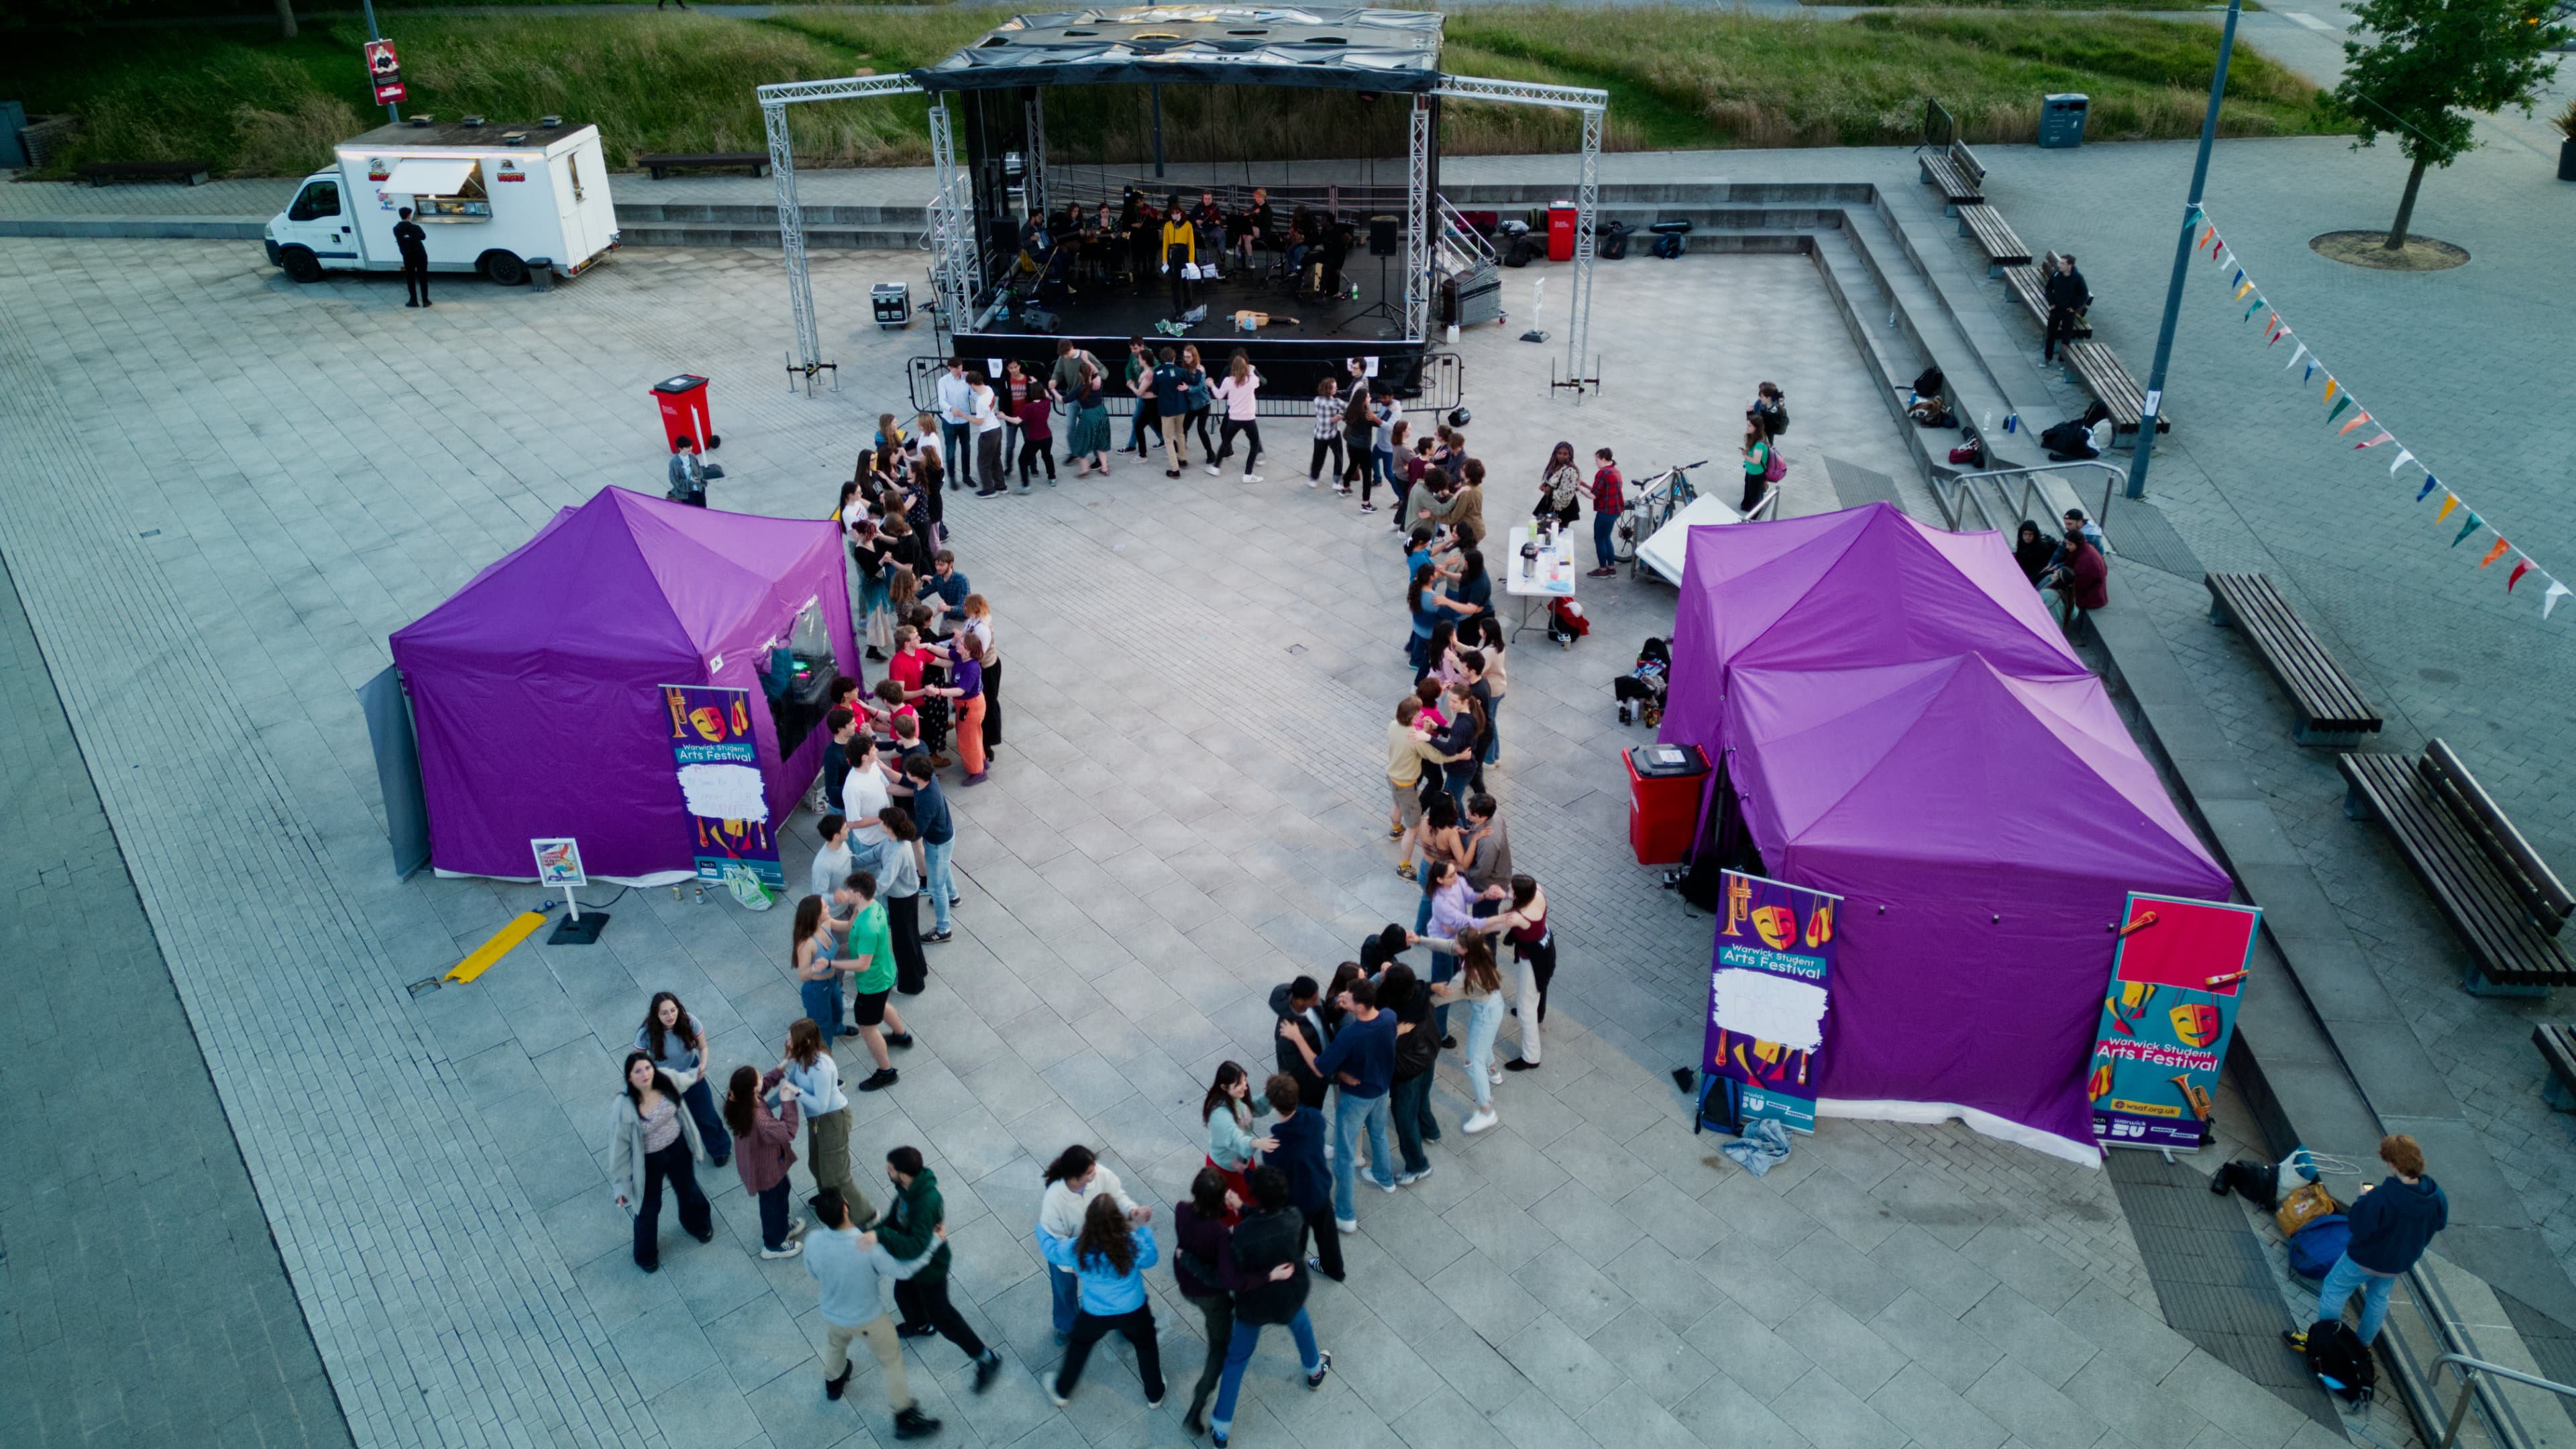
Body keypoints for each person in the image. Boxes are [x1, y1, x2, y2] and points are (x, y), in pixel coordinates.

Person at [804, 1188, 944, 1440]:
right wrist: (933, 1243)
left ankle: (834, 1382)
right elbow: (903, 1271)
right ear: (846, 1207)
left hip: (833, 1313)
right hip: (868, 1319)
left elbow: (814, 1273)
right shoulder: (868, 1246)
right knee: (891, 1360)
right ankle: (904, 1416)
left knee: (836, 1343)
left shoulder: (813, 1241)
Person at [1205, 1167, 1331, 1447]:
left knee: (1237, 1361)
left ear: (1256, 1197)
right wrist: (1246, 1209)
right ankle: (1314, 1370)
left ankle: (1221, 1427)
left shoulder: (1240, 1235)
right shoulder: (1295, 1217)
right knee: (1302, 1327)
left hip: (1253, 1305)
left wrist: (1239, 1212)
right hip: (1289, 1295)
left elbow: (1236, 1271)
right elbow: (1278, 1228)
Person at [2286, 1135, 2446, 1351]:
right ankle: (2363, 1345)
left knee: (2335, 1289)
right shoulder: (2436, 1196)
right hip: (2397, 1263)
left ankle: (2323, 1342)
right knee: (2379, 1298)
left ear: (2395, 1164)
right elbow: (2439, 1224)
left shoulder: (2382, 1196)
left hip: (2365, 1258)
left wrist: (2363, 1198)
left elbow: (2359, 1227)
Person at [877, 1145, 1005, 1391]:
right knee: (903, 1294)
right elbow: (894, 1218)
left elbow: (915, 1247)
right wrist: (874, 1232)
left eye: (891, 1168)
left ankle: (987, 1358)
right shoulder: (906, 1190)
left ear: (903, 1173)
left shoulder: (926, 1201)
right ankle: (921, 1325)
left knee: (945, 1317)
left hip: (929, 1269)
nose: (887, 1170)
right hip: (912, 1266)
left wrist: (881, 1234)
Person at [1278, 975, 1395, 1231]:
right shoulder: (1388, 1016)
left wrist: (1297, 1037)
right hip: (1382, 1089)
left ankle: (1345, 1215)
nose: (1344, 998)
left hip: (1357, 1098)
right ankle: (1385, 1178)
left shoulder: (1351, 1035)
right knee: (1378, 1133)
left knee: (1343, 1155)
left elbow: (1320, 1067)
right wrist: (1345, 1003)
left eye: (1349, 998)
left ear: (1360, 1007)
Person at [1038, 1195, 1166, 1408]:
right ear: (1118, 1220)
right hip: (1134, 1310)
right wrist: (1143, 1228)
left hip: (1096, 1313)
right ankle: (1155, 1395)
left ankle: (1062, 1391)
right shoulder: (1132, 1244)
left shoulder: (1078, 1248)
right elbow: (1152, 1258)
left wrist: (1043, 1226)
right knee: (1146, 1347)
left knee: (1079, 1346)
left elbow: (1051, 1251)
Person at [608, 1051, 714, 1271]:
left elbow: (685, 1079)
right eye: (638, 1071)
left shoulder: (665, 1079)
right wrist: (621, 1187)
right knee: (648, 1208)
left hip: (677, 1148)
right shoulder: (625, 1106)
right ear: (630, 1077)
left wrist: (696, 1073)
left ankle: (698, 1225)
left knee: (688, 1189)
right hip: (648, 1161)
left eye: (647, 1068)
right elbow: (619, 1149)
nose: (645, 1074)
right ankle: (646, 1255)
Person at [1038, 1145, 1145, 1340]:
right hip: (1070, 1251)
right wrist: (1074, 1266)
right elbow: (1056, 1240)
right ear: (1075, 1176)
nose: (1094, 1174)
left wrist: (1131, 1210)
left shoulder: (1101, 1175)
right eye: (1089, 1172)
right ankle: (1066, 1325)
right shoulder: (1054, 1198)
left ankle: (1122, 1322)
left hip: (1101, 1245)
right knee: (1064, 1289)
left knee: (1111, 1288)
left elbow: (1117, 1196)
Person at [782, 1016, 873, 1226]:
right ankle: (829, 1200)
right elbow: (789, 1084)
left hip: (832, 1119)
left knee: (838, 1176)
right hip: (817, 1121)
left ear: (805, 1043)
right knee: (816, 1165)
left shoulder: (821, 1067)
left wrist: (796, 1092)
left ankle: (865, 1216)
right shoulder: (801, 1059)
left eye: (790, 1039)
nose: (787, 1043)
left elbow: (820, 1105)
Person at [1173, 1167, 1241, 1435]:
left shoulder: (1181, 1210)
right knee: (1219, 1347)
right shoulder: (1219, 1234)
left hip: (1187, 1286)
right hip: (1209, 1295)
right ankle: (1197, 1405)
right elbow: (1224, 1279)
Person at [633, 991, 732, 1168]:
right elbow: (638, 1062)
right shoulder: (646, 1033)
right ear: (656, 1014)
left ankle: (720, 1148)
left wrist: (702, 1065)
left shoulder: (689, 1021)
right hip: (663, 1081)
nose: (670, 1016)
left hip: (691, 1074)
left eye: (673, 1010)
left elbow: (703, 1047)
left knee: (705, 1113)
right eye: (664, 1013)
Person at [835, 871, 911, 1091]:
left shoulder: (868, 925)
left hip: (873, 980)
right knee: (883, 1005)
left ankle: (886, 1072)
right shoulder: (872, 906)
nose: (846, 893)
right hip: (886, 972)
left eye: (849, 891)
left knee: (868, 1029)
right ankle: (901, 1036)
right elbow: (851, 928)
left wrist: (833, 964)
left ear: (858, 894)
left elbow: (862, 965)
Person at [723, 1064, 807, 1259]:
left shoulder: (744, 1100)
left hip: (765, 1163)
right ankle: (773, 1244)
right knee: (773, 1203)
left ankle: (781, 1227)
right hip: (766, 1169)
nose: (763, 1078)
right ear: (753, 1089)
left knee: (782, 1191)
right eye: (759, 1077)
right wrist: (787, 1101)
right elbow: (787, 1131)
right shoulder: (759, 1119)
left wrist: (779, 1069)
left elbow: (765, 1084)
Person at [1263, 1073, 1341, 1281]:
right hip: (1320, 1189)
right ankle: (1334, 1269)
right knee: (1328, 1236)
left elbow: (1274, 1180)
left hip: (1297, 1203)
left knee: (1296, 1242)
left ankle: (1293, 1276)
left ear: (1273, 1104)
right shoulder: (1314, 1119)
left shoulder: (1274, 1146)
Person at [1426, 936, 1505, 1133]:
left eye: (1458, 943)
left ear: (1465, 950)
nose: (1454, 944)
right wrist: (1419, 939)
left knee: (1472, 1063)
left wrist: (1419, 997)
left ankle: (1487, 1112)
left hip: (1486, 1013)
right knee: (1481, 1043)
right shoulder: (1482, 950)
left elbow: (1439, 999)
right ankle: (1493, 1071)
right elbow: (1446, 945)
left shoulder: (1464, 978)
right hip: (1491, 1004)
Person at [1377, 963, 1440, 1185]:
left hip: (1407, 1068)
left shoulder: (1393, 1012)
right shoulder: (1421, 992)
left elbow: (1383, 1042)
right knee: (1423, 1098)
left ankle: (1418, 1166)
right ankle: (1430, 1130)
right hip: (1428, 1056)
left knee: (1404, 1117)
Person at [1386, 697, 1448, 877]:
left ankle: (1396, 830)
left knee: (1397, 803)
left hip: (1392, 776)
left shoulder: (1393, 725)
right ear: (1413, 716)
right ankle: (1404, 867)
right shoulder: (1415, 737)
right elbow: (1436, 757)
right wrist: (1458, 756)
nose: (1421, 714)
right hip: (1406, 783)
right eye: (1419, 712)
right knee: (1413, 828)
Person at [1203, 1061, 1278, 1209]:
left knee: (1245, 1209)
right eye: (1239, 1083)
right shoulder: (1219, 1115)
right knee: (1228, 1213)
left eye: (1245, 1080)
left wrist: (1269, 1095)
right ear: (1224, 1087)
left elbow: (1251, 1108)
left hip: (1242, 1162)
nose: (1245, 1086)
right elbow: (1235, 1138)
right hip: (1225, 1171)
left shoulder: (1235, 1099)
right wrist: (1256, 1143)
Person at [1497, 875, 1554, 1071]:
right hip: (1546, 948)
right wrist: (1504, 894)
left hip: (1532, 960)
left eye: (1512, 891)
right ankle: (1540, 1013)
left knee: (1525, 1006)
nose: (1510, 894)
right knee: (1542, 985)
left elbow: (1494, 925)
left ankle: (1531, 1057)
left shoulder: (1519, 916)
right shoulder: (1538, 890)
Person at [874, 806, 929, 996]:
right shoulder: (891, 841)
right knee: (911, 936)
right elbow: (874, 854)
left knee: (903, 943)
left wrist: (862, 893)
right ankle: (920, 970)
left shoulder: (897, 851)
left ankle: (912, 984)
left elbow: (884, 883)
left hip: (903, 899)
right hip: (905, 895)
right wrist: (852, 860)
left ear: (889, 826)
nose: (879, 823)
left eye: (882, 821)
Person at [905, 755, 957, 943]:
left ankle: (944, 929)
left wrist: (899, 831)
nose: (906, 774)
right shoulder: (929, 780)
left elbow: (917, 831)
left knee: (936, 887)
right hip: (943, 837)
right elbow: (904, 781)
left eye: (909, 772)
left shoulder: (928, 800)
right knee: (943, 868)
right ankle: (954, 896)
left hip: (937, 843)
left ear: (917, 776)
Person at [930, 630, 990, 785]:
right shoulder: (961, 657)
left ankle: (977, 772)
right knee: (973, 735)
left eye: (961, 644)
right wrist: (927, 646)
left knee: (968, 740)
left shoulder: (972, 668)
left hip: (970, 707)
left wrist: (938, 691)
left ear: (969, 649)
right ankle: (981, 761)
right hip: (965, 706)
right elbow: (945, 653)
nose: (957, 644)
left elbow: (960, 691)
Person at [792, 894, 851, 1042]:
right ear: (816, 915)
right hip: (816, 989)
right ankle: (825, 1053)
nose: (829, 908)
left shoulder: (828, 924)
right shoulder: (807, 944)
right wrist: (816, 967)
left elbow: (850, 925)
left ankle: (838, 1029)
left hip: (832, 981)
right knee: (822, 1025)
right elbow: (803, 975)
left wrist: (861, 905)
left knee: (838, 1010)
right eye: (825, 907)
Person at [1270, 975, 1330, 1110]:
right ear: (1301, 1001)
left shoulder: (1314, 1005)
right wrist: (1325, 1075)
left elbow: (1326, 1017)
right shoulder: (1287, 1034)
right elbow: (1299, 1071)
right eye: (1314, 999)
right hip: (1309, 1085)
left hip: (1321, 1062)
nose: (1318, 1001)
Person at [1209, 350, 1265, 482]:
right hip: (1249, 419)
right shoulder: (1251, 380)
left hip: (1234, 418)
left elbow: (1219, 395)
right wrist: (1251, 370)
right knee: (1255, 444)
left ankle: (1216, 467)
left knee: (1226, 443)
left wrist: (1211, 385)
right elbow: (1257, 381)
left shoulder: (1228, 381)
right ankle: (1248, 474)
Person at [2049, 525, 2110, 627]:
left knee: (2053, 591)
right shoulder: (2084, 549)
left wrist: (2058, 581)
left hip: (2090, 596)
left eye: (2070, 544)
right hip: (2093, 590)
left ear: (2077, 544)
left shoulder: (2086, 561)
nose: (2067, 547)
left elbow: (2079, 584)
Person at [934, 358, 976, 492]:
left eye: (960, 367)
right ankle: (952, 477)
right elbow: (941, 400)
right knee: (951, 450)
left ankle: (966, 475)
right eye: (956, 368)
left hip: (964, 420)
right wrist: (951, 409)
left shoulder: (966, 379)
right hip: (950, 421)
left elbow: (973, 394)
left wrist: (973, 381)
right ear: (950, 368)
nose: (959, 370)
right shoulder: (944, 381)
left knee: (966, 449)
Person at [1152, 345, 1193, 477]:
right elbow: (1190, 381)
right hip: (1181, 408)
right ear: (1174, 358)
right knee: (1180, 433)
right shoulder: (1180, 371)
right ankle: (1183, 458)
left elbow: (1155, 390)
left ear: (1162, 359)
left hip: (1167, 410)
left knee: (1168, 439)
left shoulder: (1158, 373)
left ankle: (1175, 469)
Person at [2043, 253, 2090, 364]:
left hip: (2068, 312)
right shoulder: (2056, 275)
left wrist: (2074, 307)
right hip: (2056, 309)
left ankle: (2062, 361)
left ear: (2070, 266)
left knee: (2066, 338)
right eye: (2060, 262)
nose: (2059, 265)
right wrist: (2051, 303)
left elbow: (2084, 294)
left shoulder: (2078, 278)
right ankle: (2047, 358)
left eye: (2063, 263)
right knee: (2050, 335)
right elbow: (2048, 288)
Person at [1067, 361, 1112, 476]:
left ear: (1080, 375)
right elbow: (1098, 372)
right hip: (1101, 413)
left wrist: (1051, 390)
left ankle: (1085, 468)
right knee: (1101, 441)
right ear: (1092, 372)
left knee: (1079, 441)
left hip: (1088, 416)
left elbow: (1063, 399)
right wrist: (1087, 360)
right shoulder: (1099, 384)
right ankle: (1105, 468)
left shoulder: (1079, 390)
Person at [1587, 447, 1625, 576]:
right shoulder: (1615, 471)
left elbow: (1593, 495)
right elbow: (1601, 489)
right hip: (1615, 510)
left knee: (1599, 539)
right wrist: (1585, 485)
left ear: (1603, 459)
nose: (1596, 462)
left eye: (1597, 459)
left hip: (1605, 512)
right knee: (1606, 538)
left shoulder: (1602, 473)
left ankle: (1603, 569)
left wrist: (1580, 489)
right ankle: (1611, 568)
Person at [968, 370, 1007, 498]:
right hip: (997, 428)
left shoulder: (980, 402)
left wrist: (964, 416)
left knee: (983, 462)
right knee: (996, 459)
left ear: (973, 384)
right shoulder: (989, 390)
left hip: (988, 433)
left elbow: (979, 421)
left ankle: (989, 489)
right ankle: (1001, 486)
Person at [1161, 197, 1199, 316]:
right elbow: (1165, 243)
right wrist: (1164, 259)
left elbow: (1191, 244)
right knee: (1174, 283)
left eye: (1177, 213)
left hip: (1183, 253)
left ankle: (1187, 302)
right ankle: (1177, 307)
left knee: (1184, 281)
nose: (1175, 215)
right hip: (1172, 253)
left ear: (1181, 213)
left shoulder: (1187, 225)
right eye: (1173, 213)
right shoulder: (1168, 225)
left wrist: (1191, 261)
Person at [1180, 343, 1218, 461]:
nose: (1186, 359)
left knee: (1201, 429)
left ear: (1194, 357)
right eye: (1185, 357)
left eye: (1188, 357)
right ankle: (1182, 449)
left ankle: (1210, 453)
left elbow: (1200, 386)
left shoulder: (1200, 369)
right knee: (1184, 427)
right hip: (1191, 405)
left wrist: (1187, 388)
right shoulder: (1185, 368)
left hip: (1203, 403)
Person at [1015, 384, 1055, 488]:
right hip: (1047, 437)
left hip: (1034, 439)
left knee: (1022, 460)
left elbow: (1017, 421)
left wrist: (1004, 416)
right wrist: (1037, 382)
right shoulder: (1046, 403)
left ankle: (1025, 485)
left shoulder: (1029, 407)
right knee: (1047, 456)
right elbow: (1047, 395)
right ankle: (1052, 478)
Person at [1307, 376, 1345, 486]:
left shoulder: (1317, 400)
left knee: (1318, 457)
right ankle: (1336, 481)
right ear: (1330, 390)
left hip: (1319, 434)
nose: (1337, 388)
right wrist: (1340, 416)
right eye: (1335, 387)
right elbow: (1349, 408)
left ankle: (1313, 478)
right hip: (1332, 434)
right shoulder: (1336, 402)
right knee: (1338, 456)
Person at [394, 206, 431, 307]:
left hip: (407, 256)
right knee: (423, 277)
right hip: (420, 255)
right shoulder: (415, 228)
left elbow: (401, 239)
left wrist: (407, 237)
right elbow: (423, 237)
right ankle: (425, 300)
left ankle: (413, 300)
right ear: (409, 216)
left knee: (410, 278)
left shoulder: (396, 229)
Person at [1738, 418, 1772, 515]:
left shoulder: (1759, 444)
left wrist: (1745, 456)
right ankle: (1748, 507)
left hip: (1756, 473)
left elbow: (1756, 461)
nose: (1747, 428)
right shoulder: (1760, 436)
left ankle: (1755, 516)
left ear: (1756, 428)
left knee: (1755, 496)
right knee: (1750, 491)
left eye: (1749, 426)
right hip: (1751, 471)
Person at [2013, 520, 2057, 586]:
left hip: (2035, 576)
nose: (2027, 537)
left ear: (2035, 535)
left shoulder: (2042, 547)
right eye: (2025, 534)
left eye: (2030, 534)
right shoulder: (2022, 543)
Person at [667, 436, 706, 507]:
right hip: (687, 493)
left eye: (690, 446)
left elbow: (699, 470)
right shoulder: (674, 463)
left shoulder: (693, 457)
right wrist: (690, 482)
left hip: (699, 489)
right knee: (693, 513)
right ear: (680, 448)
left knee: (704, 510)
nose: (690, 448)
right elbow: (675, 481)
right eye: (687, 447)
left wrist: (699, 479)